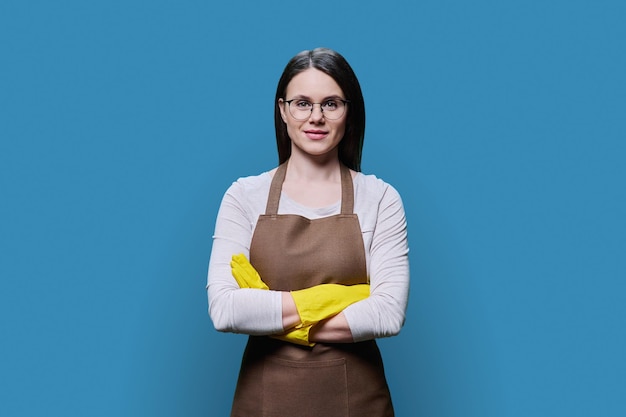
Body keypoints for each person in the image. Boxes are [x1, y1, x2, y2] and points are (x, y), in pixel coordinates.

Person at [207, 47, 410, 417]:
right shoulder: (243, 197)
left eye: (331, 104)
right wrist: (334, 299)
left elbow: (387, 313)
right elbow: (225, 309)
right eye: (302, 103)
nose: (315, 117)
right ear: (282, 110)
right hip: (265, 402)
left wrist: (273, 312)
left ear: (349, 113)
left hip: (358, 403)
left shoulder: (380, 198)